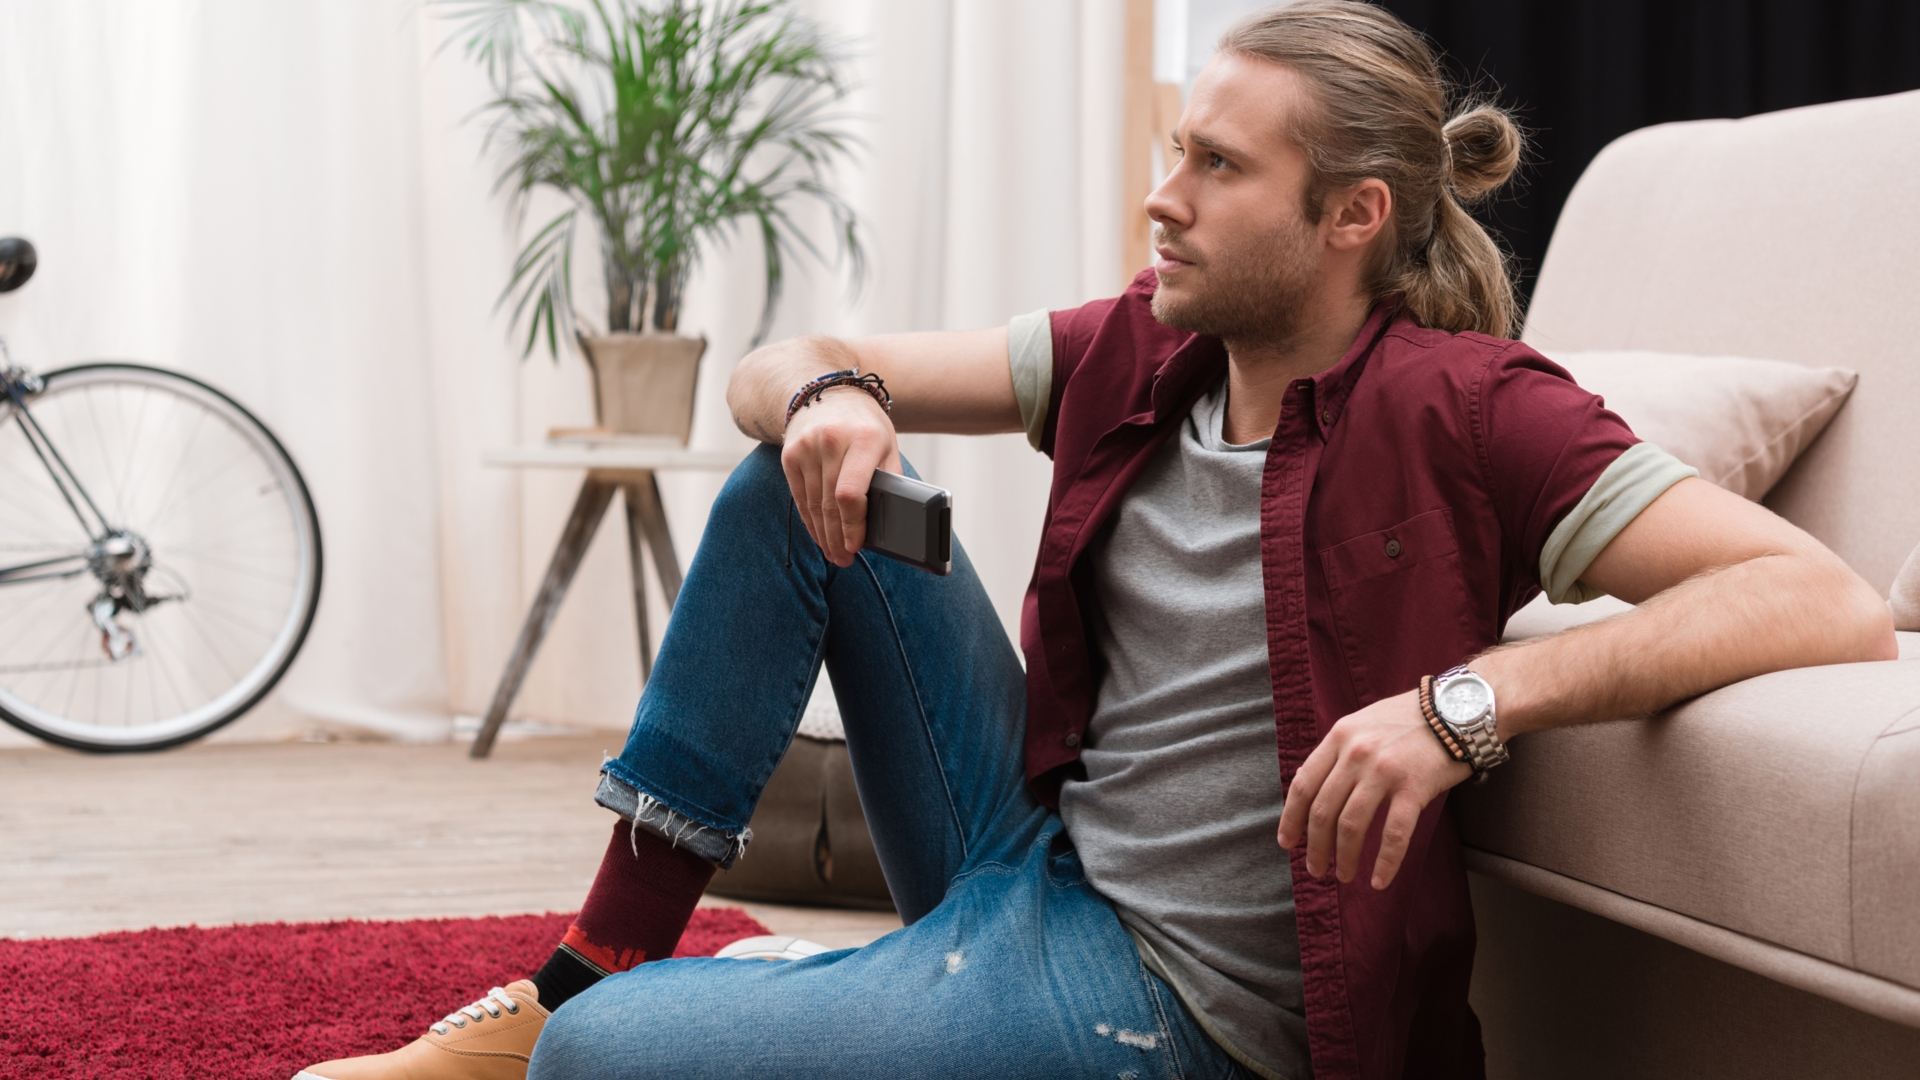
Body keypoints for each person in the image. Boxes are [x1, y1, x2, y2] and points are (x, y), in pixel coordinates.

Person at [295, 4, 1895, 1079]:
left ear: (1352, 216)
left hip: (1173, 1004)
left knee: (608, 1072)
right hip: (1034, 858)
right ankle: (592, 964)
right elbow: (774, 367)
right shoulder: (1141, 345)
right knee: (778, 495)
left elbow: (1814, 597)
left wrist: (1459, 708)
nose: (1165, 199)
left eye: (1216, 165)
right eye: (1174, 153)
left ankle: (665, 1014)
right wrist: (830, 404)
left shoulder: (1474, 408)